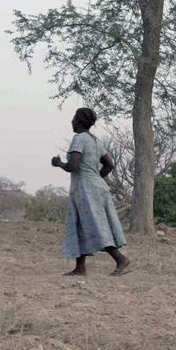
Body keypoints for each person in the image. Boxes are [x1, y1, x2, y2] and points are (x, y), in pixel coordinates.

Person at [51, 107, 130, 276]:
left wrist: (59, 164)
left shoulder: (78, 139)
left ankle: (120, 259)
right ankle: (80, 267)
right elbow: (109, 164)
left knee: (94, 225)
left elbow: (73, 166)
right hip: (97, 187)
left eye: (73, 118)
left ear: (79, 121)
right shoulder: (95, 140)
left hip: (85, 189)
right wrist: (97, 179)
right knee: (81, 223)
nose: (71, 121)